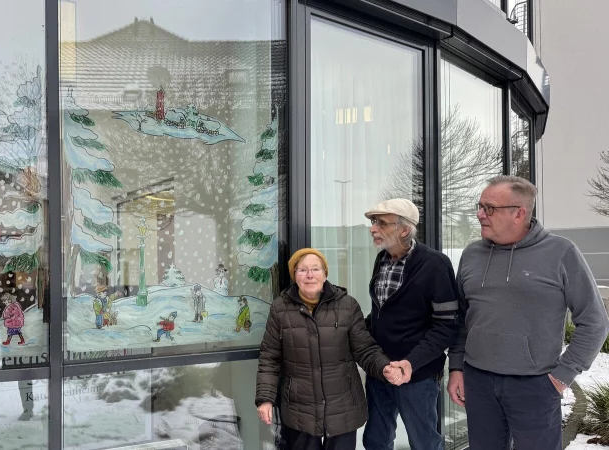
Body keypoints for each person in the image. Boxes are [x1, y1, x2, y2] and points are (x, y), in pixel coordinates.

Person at [447, 175, 609, 450]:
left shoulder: (561, 252)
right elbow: (462, 318)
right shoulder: (472, 254)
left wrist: (562, 375)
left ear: (519, 213)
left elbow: (594, 322)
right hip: (478, 382)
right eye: (480, 205)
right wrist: (456, 367)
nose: (479, 214)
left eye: (489, 208)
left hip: (534, 386)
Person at [255, 248, 410, 450]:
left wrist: (384, 367)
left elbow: (365, 349)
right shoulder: (280, 309)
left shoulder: (347, 305)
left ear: (325, 273)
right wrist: (265, 399)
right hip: (300, 408)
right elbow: (269, 358)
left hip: (343, 405)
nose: (309, 275)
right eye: (302, 270)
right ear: (294, 275)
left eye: (315, 269)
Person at [361, 198, 459, 450]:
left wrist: (410, 363)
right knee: (375, 440)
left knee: (424, 442)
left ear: (404, 230)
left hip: (417, 375)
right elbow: (382, 313)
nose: (373, 228)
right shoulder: (381, 260)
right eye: (373, 222)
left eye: (381, 223)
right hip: (380, 370)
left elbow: (446, 326)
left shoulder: (435, 264)